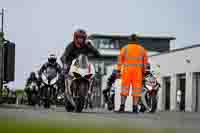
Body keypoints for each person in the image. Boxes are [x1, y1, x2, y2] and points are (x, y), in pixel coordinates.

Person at [117, 34, 148, 113]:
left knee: (124, 89)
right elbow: (145, 63)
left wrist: (118, 70)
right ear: (137, 40)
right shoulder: (142, 49)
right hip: (137, 73)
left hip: (127, 72)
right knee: (136, 90)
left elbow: (120, 60)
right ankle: (135, 108)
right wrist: (144, 72)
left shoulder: (125, 48)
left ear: (130, 40)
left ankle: (122, 107)